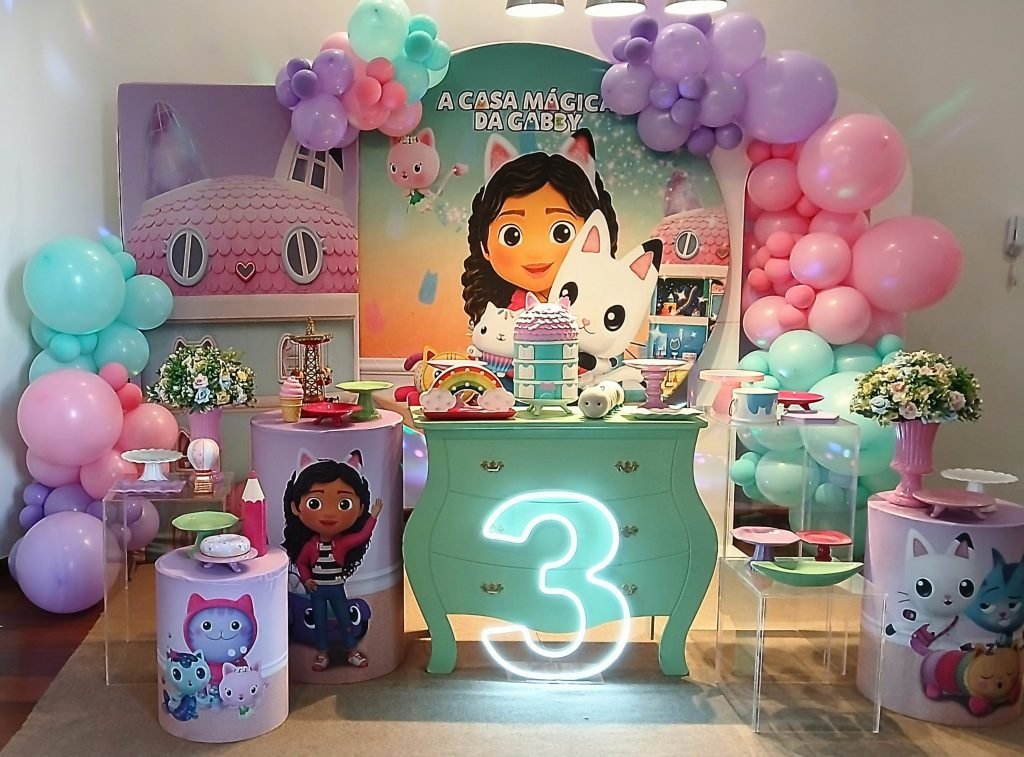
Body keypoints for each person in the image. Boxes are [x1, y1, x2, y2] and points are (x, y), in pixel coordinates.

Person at [461, 128, 619, 328]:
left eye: (562, 233)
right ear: (484, 245)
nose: (535, 251)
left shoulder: (597, 307)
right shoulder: (501, 316)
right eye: (511, 235)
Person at [282, 451, 382, 671]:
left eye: (343, 504)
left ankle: (352, 651)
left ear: (359, 509)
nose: (329, 514)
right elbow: (302, 562)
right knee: (319, 621)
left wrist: (373, 517)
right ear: (296, 507)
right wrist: (306, 579)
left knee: (344, 619)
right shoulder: (311, 546)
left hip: (336, 588)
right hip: (317, 590)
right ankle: (322, 654)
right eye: (315, 503)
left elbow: (362, 535)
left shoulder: (342, 544)